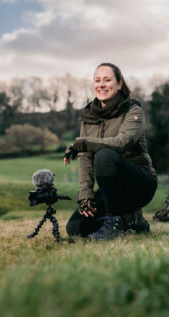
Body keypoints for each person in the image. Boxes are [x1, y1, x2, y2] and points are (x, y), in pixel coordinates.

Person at [63, 62, 157, 240]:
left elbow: (121, 142)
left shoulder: (133, 110)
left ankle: (113, 225)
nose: (101, 85)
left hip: (139, 184)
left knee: (104, 154)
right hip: (112, 191)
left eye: (107, 80)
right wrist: (85, 194)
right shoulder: (88, 116)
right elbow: (84, 158)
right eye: (97, 80)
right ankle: (132, 220)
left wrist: (83, 143)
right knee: (75, 228)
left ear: (119, 83)